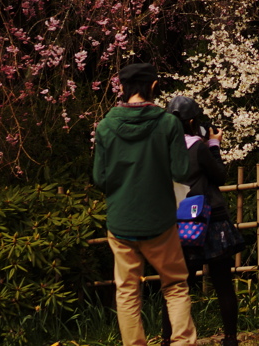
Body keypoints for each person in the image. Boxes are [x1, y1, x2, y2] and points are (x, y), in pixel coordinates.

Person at [92, 63, 197, 345]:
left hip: (121, 221)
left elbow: (100, 178)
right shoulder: (168, 124)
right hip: (159, 221)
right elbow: (181, 172)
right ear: (153, 86)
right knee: (175, 285)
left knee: (126, 291)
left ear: (123, 89)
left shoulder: (105, 126)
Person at [161, 96, 246, 346]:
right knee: (222, 284)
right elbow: (219, 175)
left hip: (180, 222)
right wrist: (214, 144)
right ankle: (230, 339)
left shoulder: (163, 149)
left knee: (177, 287)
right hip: (211, 220)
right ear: (191, 121)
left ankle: (168, 339)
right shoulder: (198, 147)